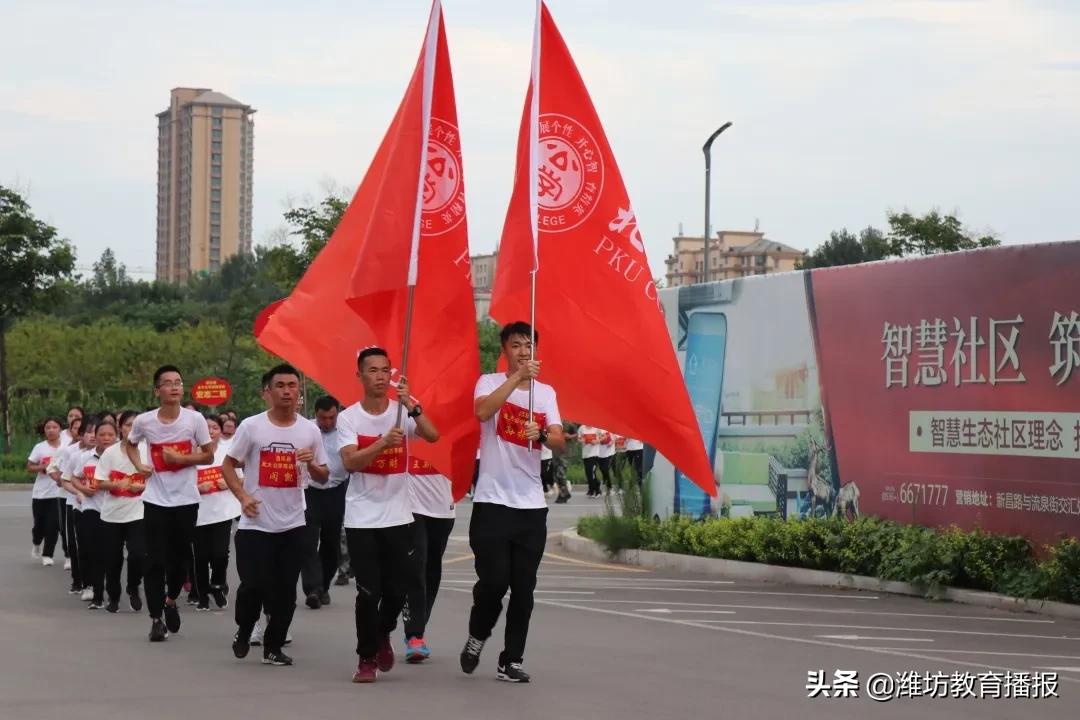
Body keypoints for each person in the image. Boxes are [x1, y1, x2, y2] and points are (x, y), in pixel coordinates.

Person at [461, 321, 564, 683]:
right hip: (492, 502)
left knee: (524, 588)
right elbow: (482, 412)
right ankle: (477, 635)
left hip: (530, 506)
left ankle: (511, 660)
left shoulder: (545, 394)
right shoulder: (489, 382)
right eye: (516, 345)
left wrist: (544, 434)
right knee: (493, 582)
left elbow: (559, 440)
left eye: (528, 345)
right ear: (504, 349)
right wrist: (517, 378)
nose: (523, 351)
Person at [338, 347, 439, 684]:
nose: (380, 376)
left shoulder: (401, 412)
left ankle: (382, 632)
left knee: (399, 588)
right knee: (369, 592)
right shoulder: (349, 418)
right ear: (360, 375)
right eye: (373, 370)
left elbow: (433, 435)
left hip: (399, 515)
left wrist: (413, 405)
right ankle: (366, 658)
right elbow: (350, 462)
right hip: (362, 517)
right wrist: (382, 443)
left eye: (385, 370)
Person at [224, 364, 329, 667]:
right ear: (267, 392)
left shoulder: (309, 430)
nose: (286, 391)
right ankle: (245, 628)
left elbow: (324, 476)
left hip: (294, 523)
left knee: (285, 591)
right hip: (256, 522)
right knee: (253, 585)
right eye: (280, 385)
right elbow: (228, 465)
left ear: (299, 391)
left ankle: (273, 647)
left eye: (292, 385)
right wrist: (243, 496)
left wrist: (312, 465)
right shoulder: (252, 427)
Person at [124, 365, 214, 642]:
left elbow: (209, 456)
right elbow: (130, 443)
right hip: (155, 500)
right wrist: (139, 464)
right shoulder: (144, 421)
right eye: (168, 383)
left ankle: (171, 599)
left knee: (180, 562)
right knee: (154, 560)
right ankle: (155, 619)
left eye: (178, 382)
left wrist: (181, 459)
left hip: (186, 500)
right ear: (157, 390)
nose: (174, 387)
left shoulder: (195, 420)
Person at [402, 456, 455, 663]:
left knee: (432, 569)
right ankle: (414, 635)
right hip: (410, 503)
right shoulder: (406, 430)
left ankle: (418, 624)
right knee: (416, 566)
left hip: (443, 505)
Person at [94, 410, 147, 613]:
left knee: (138, 555)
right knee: (112, 559)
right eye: (127, 425)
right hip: (112, 514)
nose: (131, 429)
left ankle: (133, 587)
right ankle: (114, 596)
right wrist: (117, 484)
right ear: (120, 428)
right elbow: (99, 482)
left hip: (138, 512)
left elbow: (158, 480)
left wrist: (141, 486)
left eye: (135, 425)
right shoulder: (110, 453)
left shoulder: (147, 451)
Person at [300, 395, 348, 610]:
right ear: (315, 415)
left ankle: (323, 586)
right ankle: (312, 588)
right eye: (322, 418)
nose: (327, 422)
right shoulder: (306, 429)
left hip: (336, 491)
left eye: (331, 418)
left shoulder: (346, 430)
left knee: (331, 543)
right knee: (308, 542)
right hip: (310, 491)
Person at [193, 414, 241, 612]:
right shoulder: (191, 455)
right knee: (201, 556)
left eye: (214, 427)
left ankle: (218, 585)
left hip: (222, 511)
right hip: (198, 513)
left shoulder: (227, 453)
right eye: (206, 428)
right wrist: (197, 487)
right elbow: (180, 483)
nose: (210, 431)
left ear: (220, 431)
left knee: (220, 553)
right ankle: (202, 595)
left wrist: (228, 482)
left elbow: (241, 478)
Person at [70, 417, 116, 609]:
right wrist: (83, 489)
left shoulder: (122, 457)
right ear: (94, 437)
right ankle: (97, 594)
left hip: (116, 510)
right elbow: (74, 477)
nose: (106, 438)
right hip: (91, 508)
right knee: (93, 551)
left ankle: (115, 591)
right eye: (102, 434)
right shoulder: (85, 457)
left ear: (116, 436)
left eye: (110, 435)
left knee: (110, 554)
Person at [27, 417, 64, 566]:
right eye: (48, 428)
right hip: (40, 494)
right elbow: (30, 467)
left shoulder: (66, 447)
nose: (51, 430)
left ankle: (48, 554)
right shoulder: (40, 447)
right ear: (44, 430)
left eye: (54, 427)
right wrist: (42, 467)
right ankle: (36, 542)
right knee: (39, 525)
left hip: (58, 493)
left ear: (60, 429)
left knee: (53, 525)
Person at [578, 424, 601, 498]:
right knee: (588, 473)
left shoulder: (597, 428)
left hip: (594, 454)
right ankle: (591, 490)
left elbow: (603, 437)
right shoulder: (582, 428)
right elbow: (579, 438)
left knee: (592, 473)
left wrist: (596, 441)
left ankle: (597, 491)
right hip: (585, 454)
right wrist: (582, 440)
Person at [597, 428, 615, 495]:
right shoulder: (596, 430)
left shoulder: (608, 429)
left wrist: (610, 443)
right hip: (599, 453)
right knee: (602, 469)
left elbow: (613, 439)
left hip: (607, 453)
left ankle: (610, 487)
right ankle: (606, 483)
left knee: (605, 469)